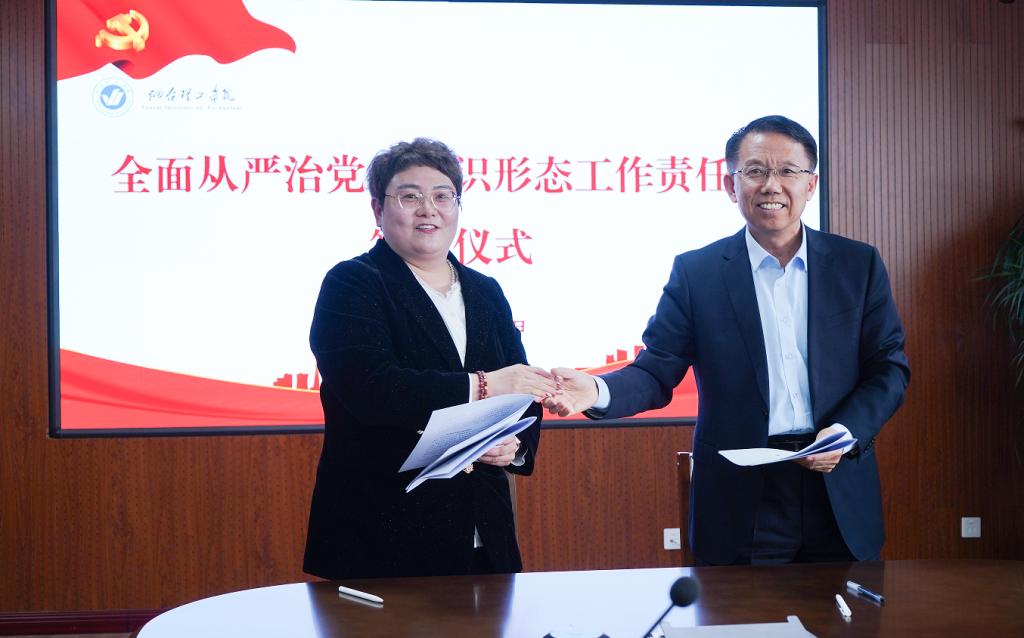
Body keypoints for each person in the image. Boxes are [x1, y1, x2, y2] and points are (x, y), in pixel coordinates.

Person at [546, 115, 910, 565]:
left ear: (811, 184)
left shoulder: (858, 265)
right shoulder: (697, 273)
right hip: (742, 499)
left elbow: (888, 369)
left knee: (847, 608)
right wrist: (597, 390)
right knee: (739, 609)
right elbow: (657, 370)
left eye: (788, 171)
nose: (771, 185)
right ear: (730, 185)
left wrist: (845, 432)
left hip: (837, 486)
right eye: (755, 171)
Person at [303, 138, 558, 579]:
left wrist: (514, 447)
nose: (429, 210)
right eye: (410, 196)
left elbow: (522, 389)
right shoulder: (353, 283)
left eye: (443, 196)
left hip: (484, 534)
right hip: (382, 531)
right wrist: (483, 385)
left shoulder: (486, 291)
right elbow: (371, 388)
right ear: (378, 209)